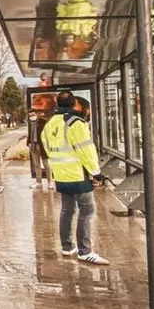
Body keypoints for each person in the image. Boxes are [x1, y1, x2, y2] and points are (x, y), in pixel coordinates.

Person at [40, 90, 109, 265]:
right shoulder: (75, 123)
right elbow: (86, 150)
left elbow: (47, 148)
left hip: (61, 175)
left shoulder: (49, 124)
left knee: (67, 211)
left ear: (57, 104)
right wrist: (95, 172)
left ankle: (67, 247)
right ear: (73, 104)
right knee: (87, 211)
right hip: (78, 175)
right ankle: (84, 251)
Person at [27, 109, 52, 190]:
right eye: (30, 116)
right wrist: (28, 143)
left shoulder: (43, 122)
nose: (31, 117)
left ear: (37, 114)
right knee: (36, 164)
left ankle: (50, 182)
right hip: (33, 145)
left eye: (33, 115)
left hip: (42, 145)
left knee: (46, 163)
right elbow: (29, 133)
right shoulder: (30, 123)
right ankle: (39, 182)